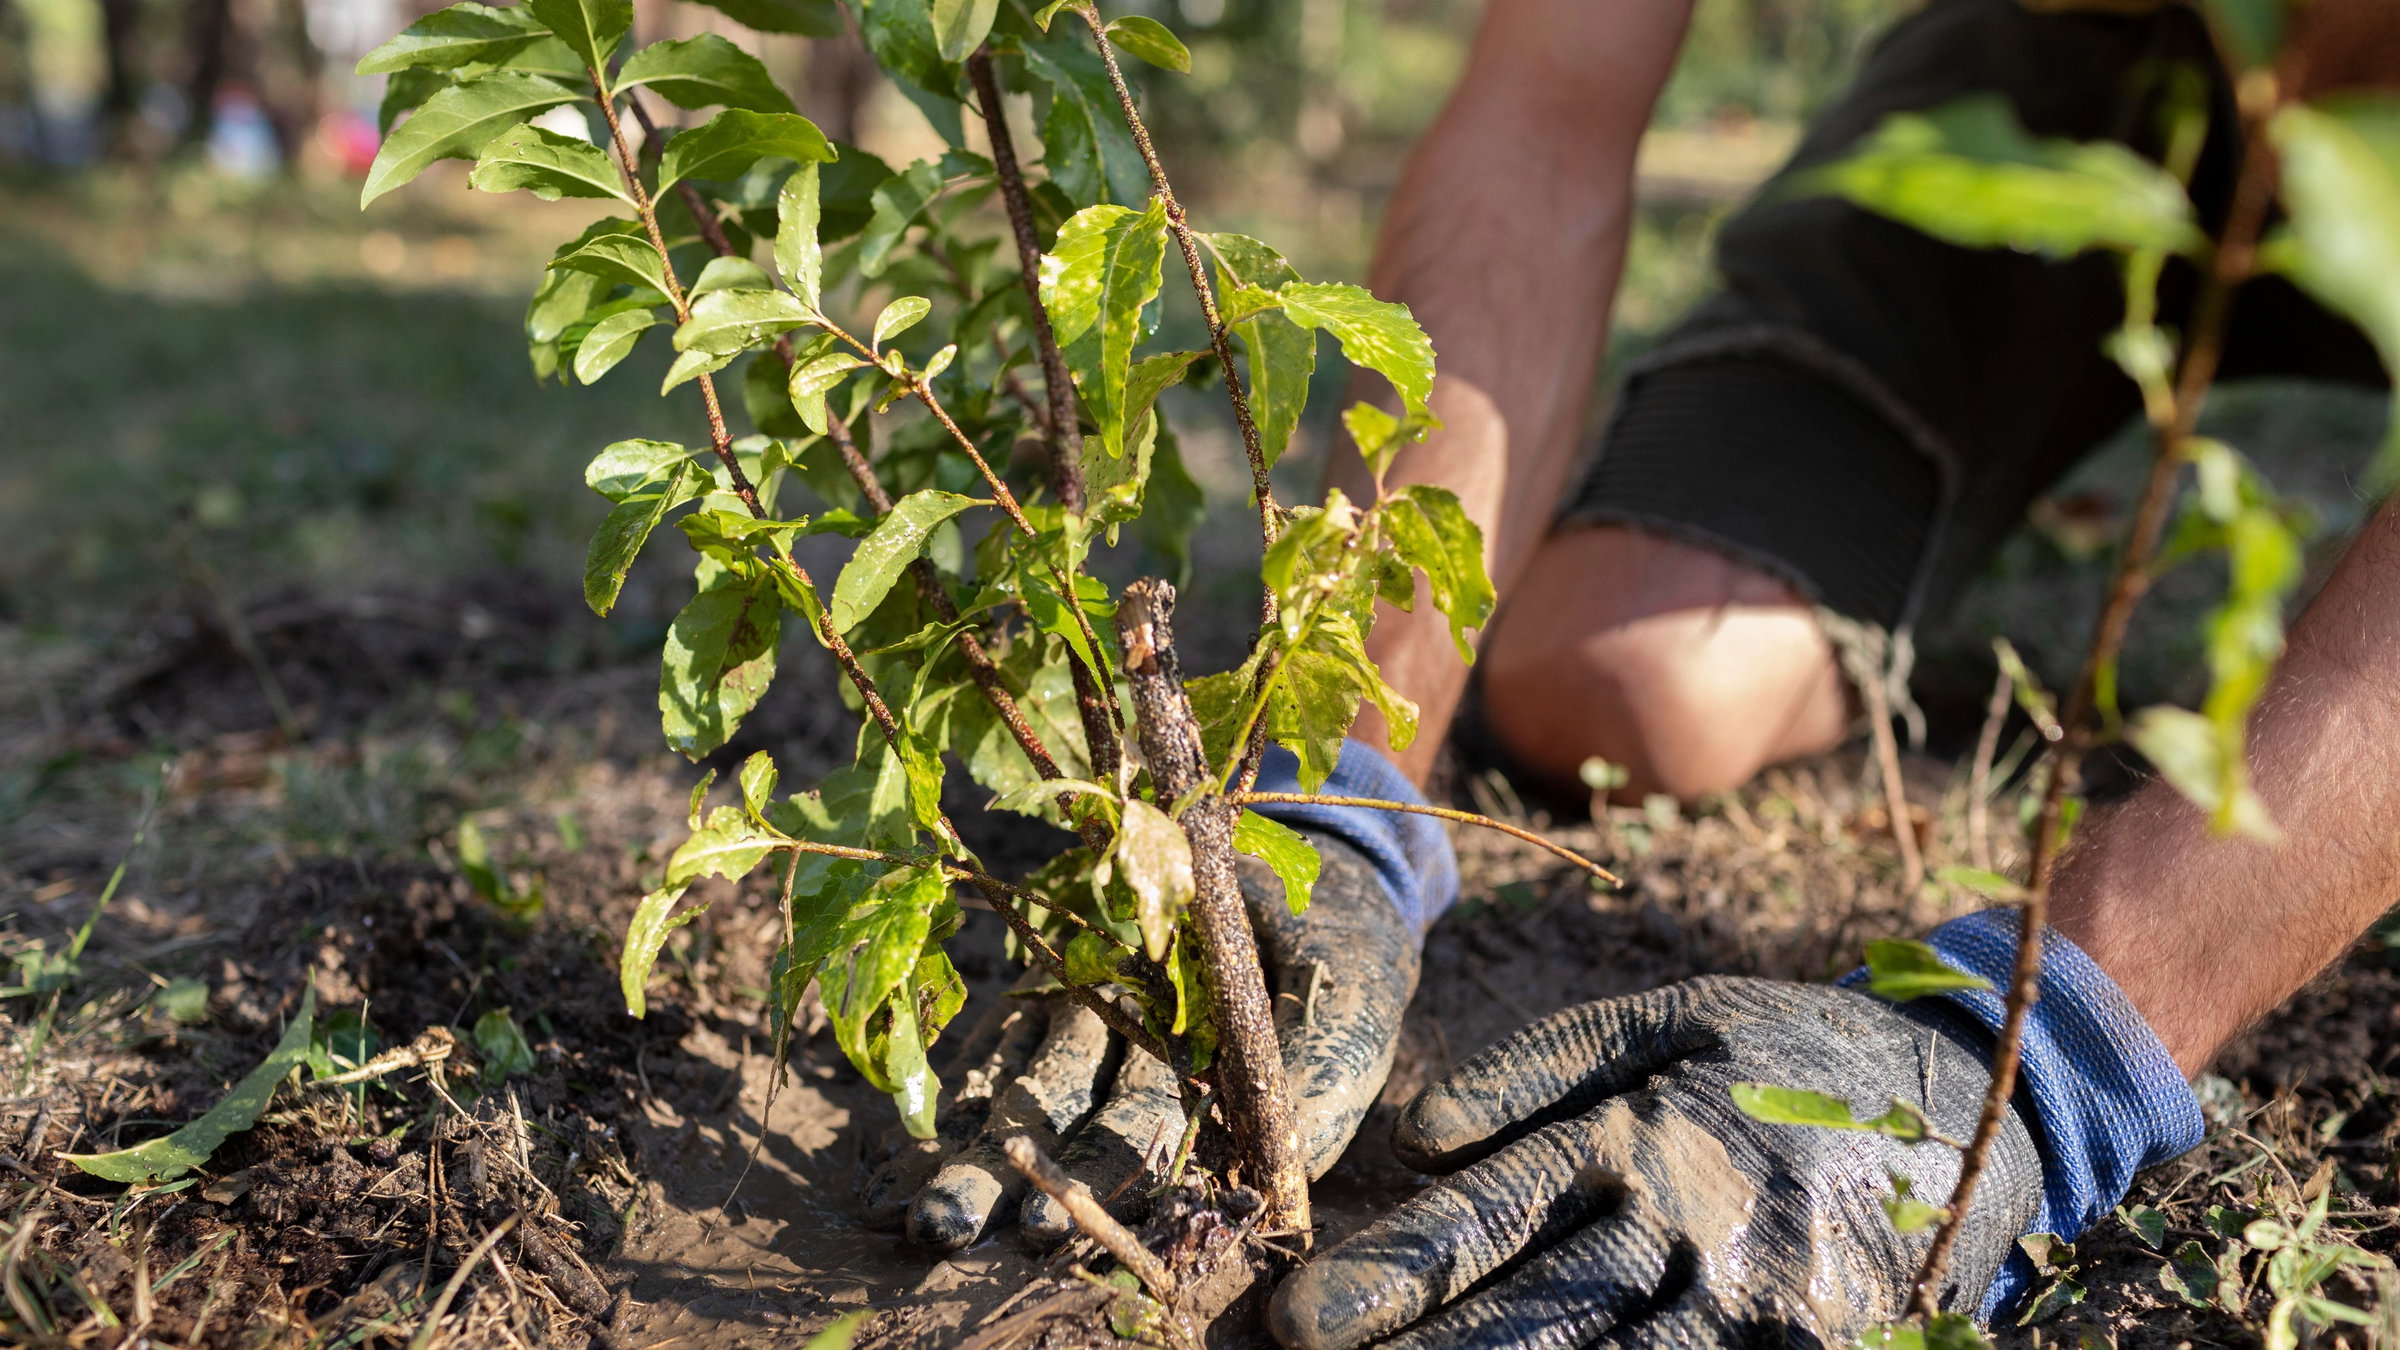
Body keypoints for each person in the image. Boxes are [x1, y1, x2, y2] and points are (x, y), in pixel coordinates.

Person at [872, 2, 2400, 1346]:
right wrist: (1335, 765)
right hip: (2073, 93)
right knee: (1628, 680)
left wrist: (2055, 1045)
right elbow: (1540, 126)